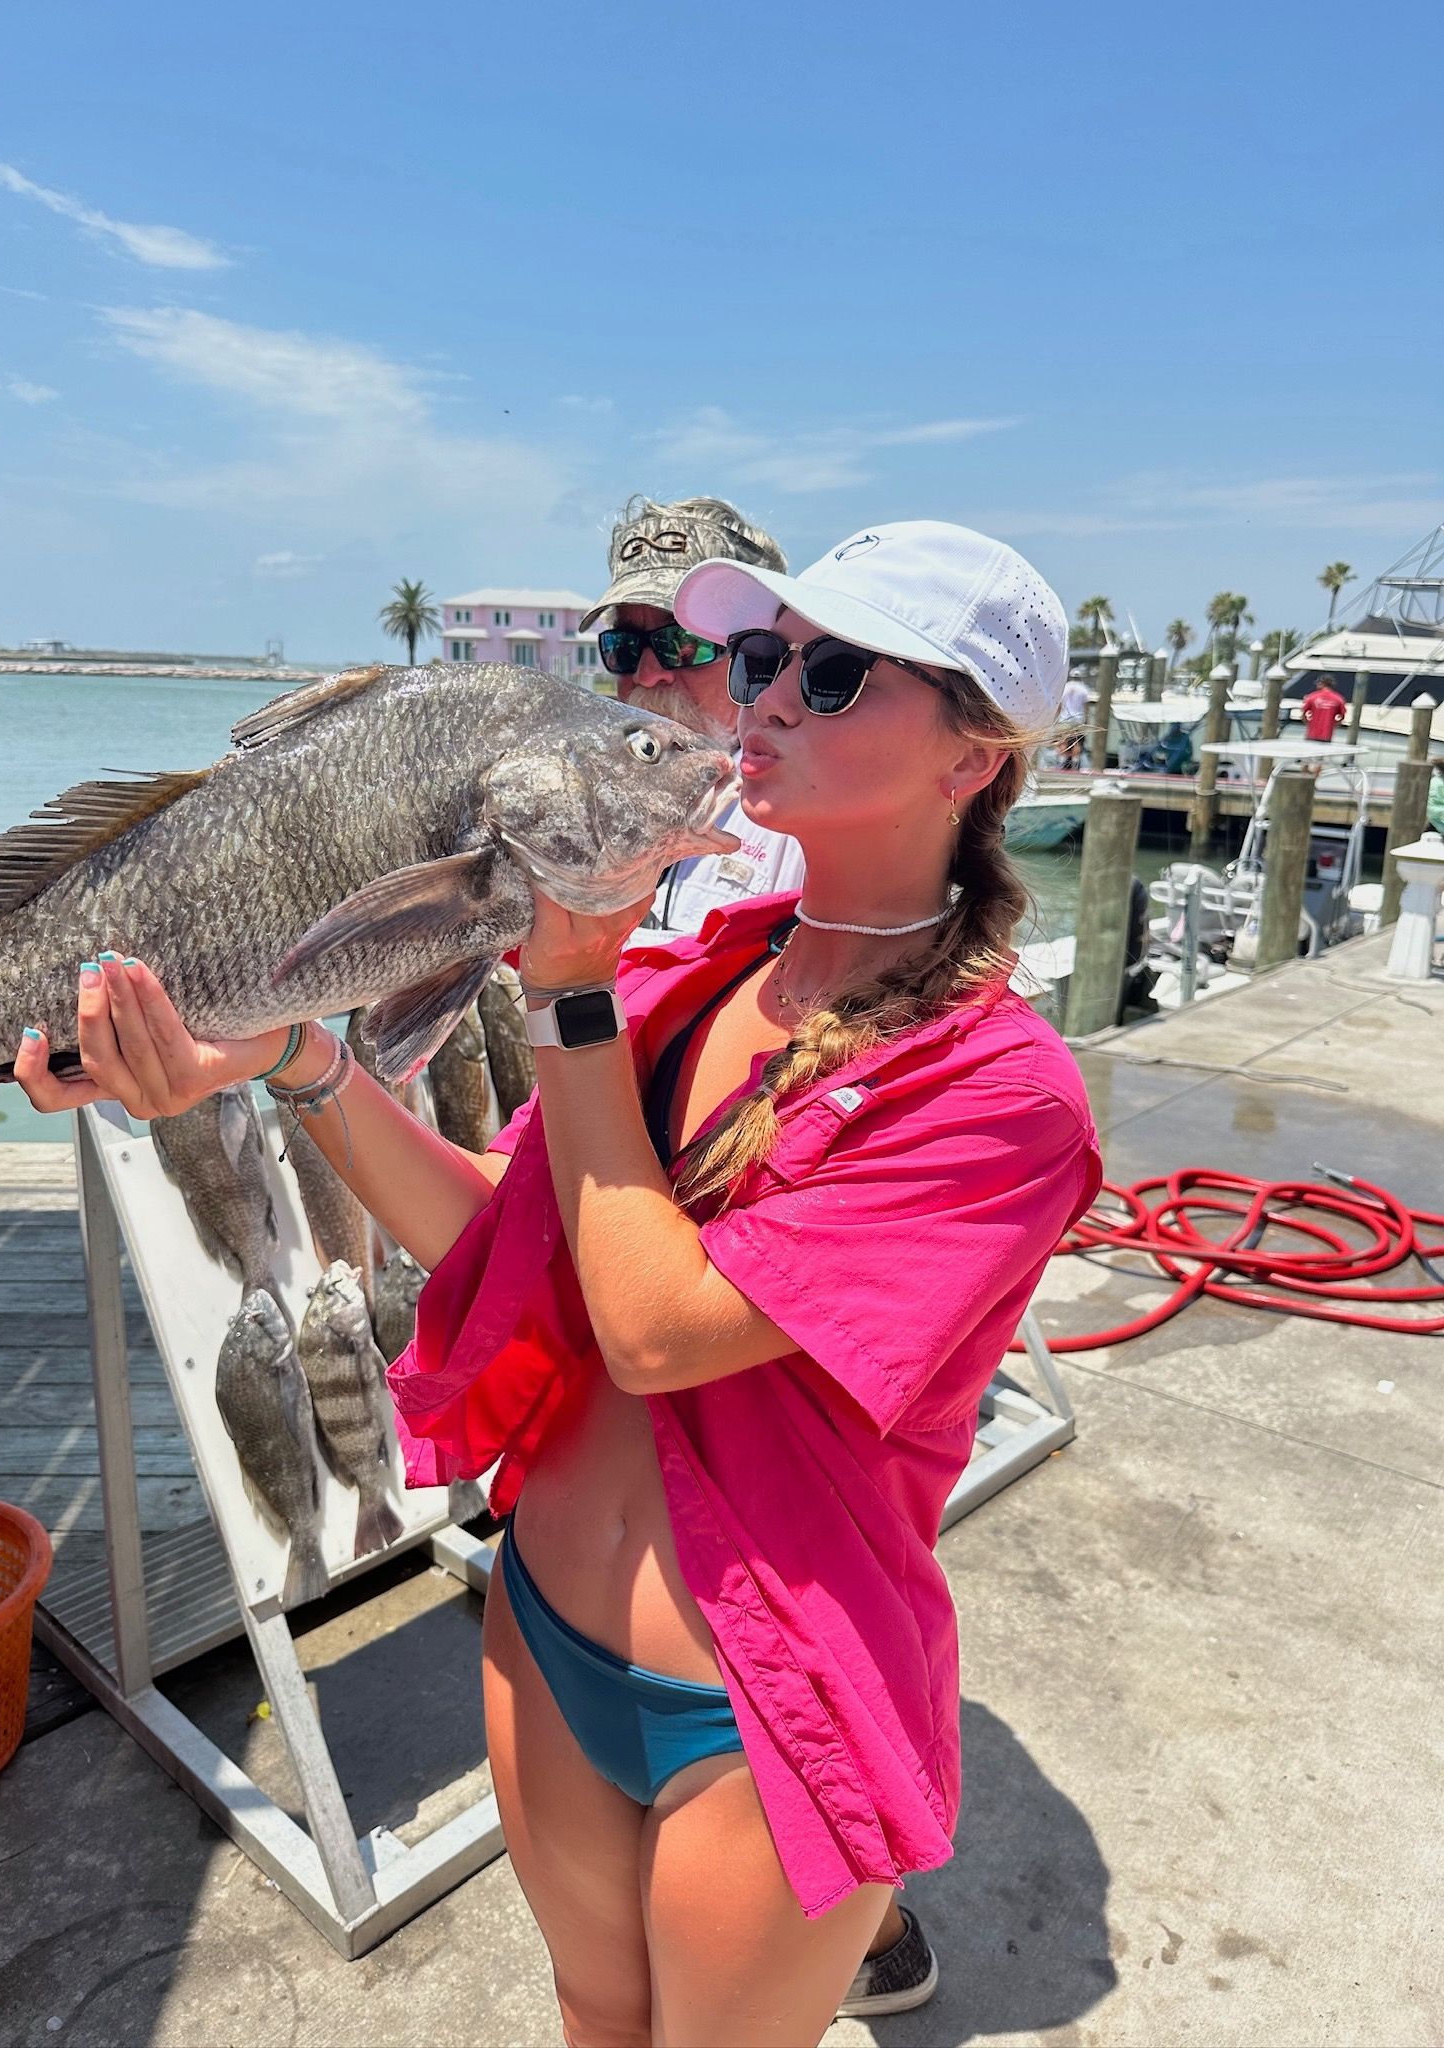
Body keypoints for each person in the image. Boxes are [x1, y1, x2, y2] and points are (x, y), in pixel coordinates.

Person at [12, 519, 1101, 2048]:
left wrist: (567, 990)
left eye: (837, 673)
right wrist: (283, 1054)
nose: (765, 698)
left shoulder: (998, 1095)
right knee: (593, 2018)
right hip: (542, 1628)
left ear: (975, 758)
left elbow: (653, 1336)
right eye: (765, 657)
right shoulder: (700, 972)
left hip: (763, 1705)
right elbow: (504, 1246)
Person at [586, 492, 931, 2014]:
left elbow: (690, 1307)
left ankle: (868, 1907)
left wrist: (561, 995)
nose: (665, 677)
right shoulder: (637, 834)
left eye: (705, 647)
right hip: (606, 1505)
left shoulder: (792, 860)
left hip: (761, 1433)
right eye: (627, 644)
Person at [580, 496, 806, 934]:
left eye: (683, 644)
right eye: (624, 647)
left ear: (761, 654)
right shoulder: (579, 794)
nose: (648, 674)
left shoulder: (807, 818)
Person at [1301, 675, 1347, 744]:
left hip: (1311, 734)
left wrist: (1309, 723)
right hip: (1327, 735)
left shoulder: (1312, 697)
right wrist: (1332, 725)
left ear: (1322, 683)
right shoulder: (1339, 699)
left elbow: (1303, 714)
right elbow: (1341, 717)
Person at [1057, 670, 1090, 766]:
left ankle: (1062, 761)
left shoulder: (1065, 687)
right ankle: (1075, 762)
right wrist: (1086, 720)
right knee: (1077, 741)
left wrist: (1056, 718)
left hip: (1065, 718)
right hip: (1078, 718)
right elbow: (1086, 707)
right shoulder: (1084, 689)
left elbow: (1060, 704)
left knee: (1063, 740)